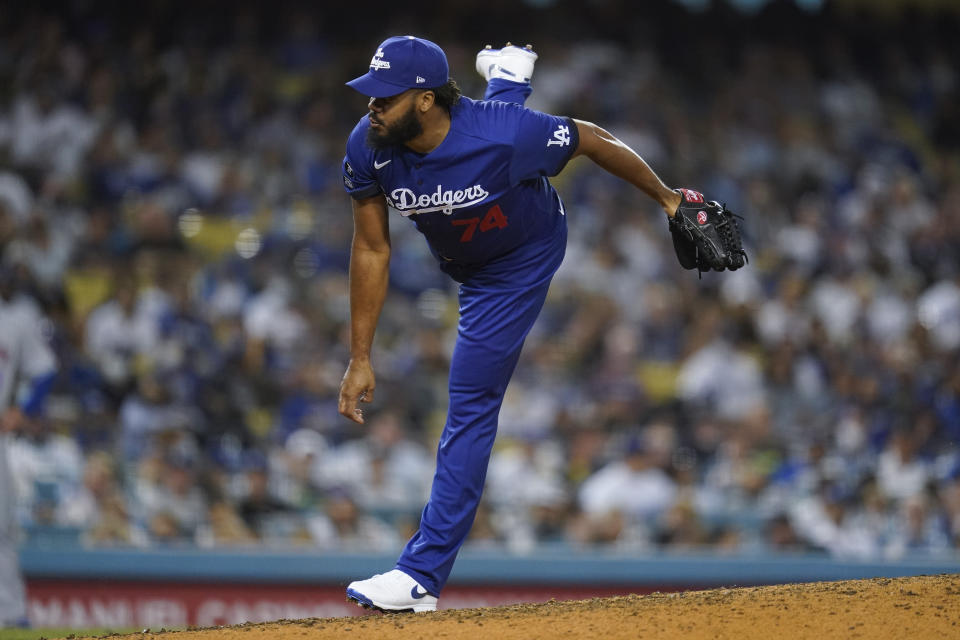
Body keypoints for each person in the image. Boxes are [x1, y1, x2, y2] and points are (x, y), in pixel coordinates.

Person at [337, 36, 687, 613]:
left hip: (516, 259)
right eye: (370, 96)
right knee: (502, 122)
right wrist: (359, 355)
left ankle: (420, 576)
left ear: (425, 100)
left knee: (471, 403)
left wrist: (670, 201)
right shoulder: (369, 145)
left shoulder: (503, 134)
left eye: (386, 98)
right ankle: (509, 73)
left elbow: (589, 139)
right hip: (463, 253)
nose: (372, 107)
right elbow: (372, 249)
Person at [0, 266, 57, 627]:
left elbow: (46, 369)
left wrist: (24, 409)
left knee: (1, 529)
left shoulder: (14, 321)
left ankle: (12, 614)